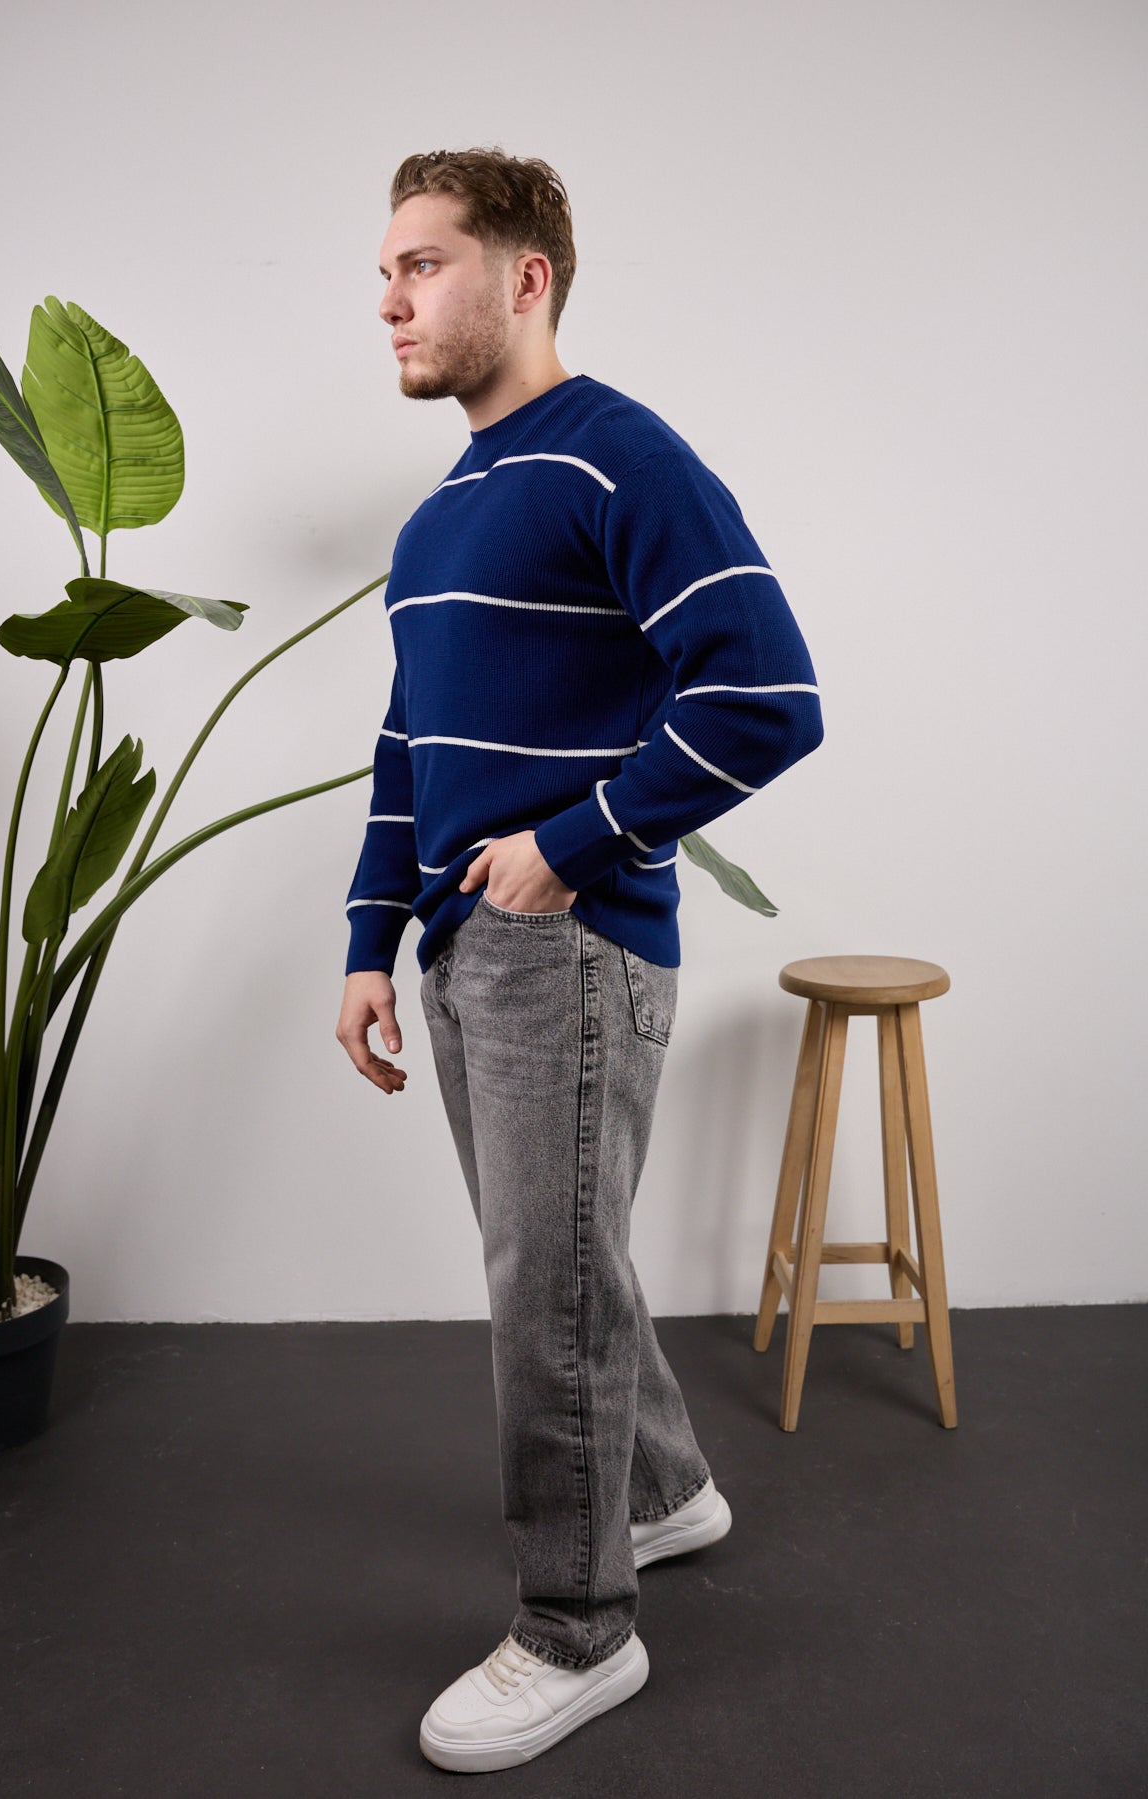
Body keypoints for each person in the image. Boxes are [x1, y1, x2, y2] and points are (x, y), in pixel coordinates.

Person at [336, 147, 824, 1774]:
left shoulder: (620, 456)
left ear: (525, 275)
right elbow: (406, 745)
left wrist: (570, 845)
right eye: (383, 272)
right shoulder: (440, 515)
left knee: (538, 1290)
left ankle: (576, 1628)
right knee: (553, 1265)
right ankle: (667, 1493)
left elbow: (765, 693)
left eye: (421, 265)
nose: (388, 299)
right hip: (463, 950)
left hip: (572, 945)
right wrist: (370, 942)